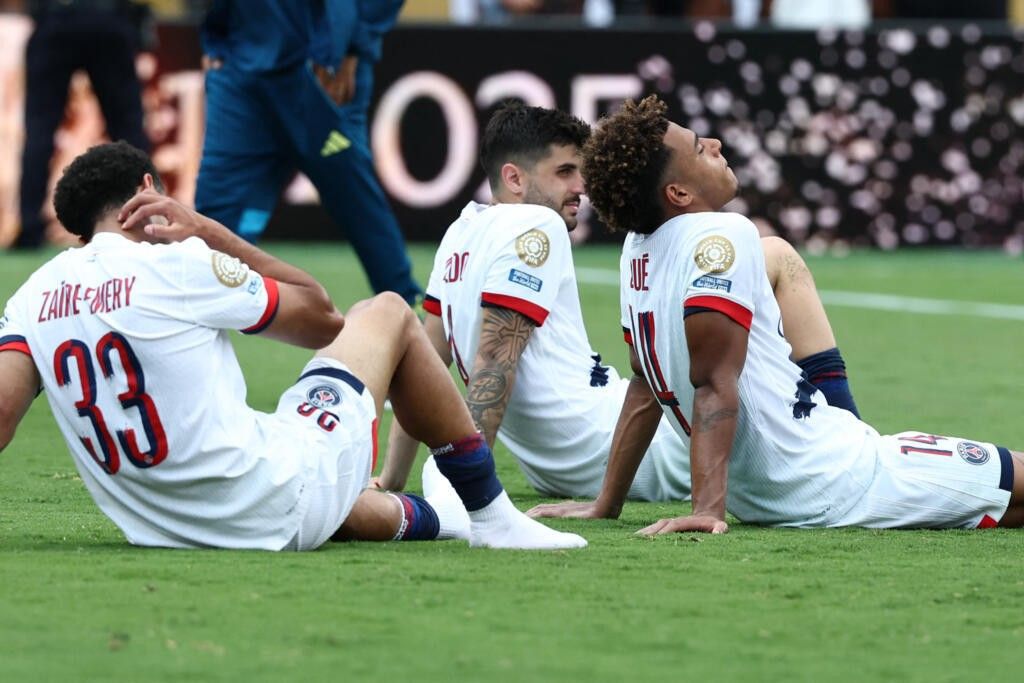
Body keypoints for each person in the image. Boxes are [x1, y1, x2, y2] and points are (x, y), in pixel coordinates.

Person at [0, 141, 586, 551]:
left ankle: (442, 516)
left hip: (163, 528)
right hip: (268, 500)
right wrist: (207, 231)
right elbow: (321, 319)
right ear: (148, 190)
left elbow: (3, 418)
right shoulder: (177, 262)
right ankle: (490, 513)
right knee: (385, 311)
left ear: (77, 228)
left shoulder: (32, 296)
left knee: (305, 472)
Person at [532, 95, 1024, 532]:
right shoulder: (723, 236)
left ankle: (846, 422)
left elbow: (646, 384)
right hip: (841, 475)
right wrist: (707, 509)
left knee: (1008, 505)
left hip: (773, 496)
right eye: (700, 148)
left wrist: (607, 502)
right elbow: (713, 382)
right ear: (678, 194)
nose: (716, 144)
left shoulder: (637, 249)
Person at [378, 103, 859, 506]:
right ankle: (846, 434)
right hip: (634, 449)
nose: (580, 187)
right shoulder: (536, 225)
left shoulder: (460, 233)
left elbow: (426, 363)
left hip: (560, 468)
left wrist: (391, 478)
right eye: (564, 172)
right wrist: (474, 490)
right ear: (514, 178)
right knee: (775, 255)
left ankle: (839, 433)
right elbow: (495, 361)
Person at [195, 0, 420, 304]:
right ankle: (193, 321)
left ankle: (410, 308)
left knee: (355, 200)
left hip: (322, 68)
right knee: (216, 217)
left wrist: (352, 43)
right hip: (240, 64)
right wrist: (216, 35)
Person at [15, 0, 149, 249]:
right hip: (105, 18)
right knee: (128, 129)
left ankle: (29, 229)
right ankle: (148, 221)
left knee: (39, 132)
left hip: (58, 17)